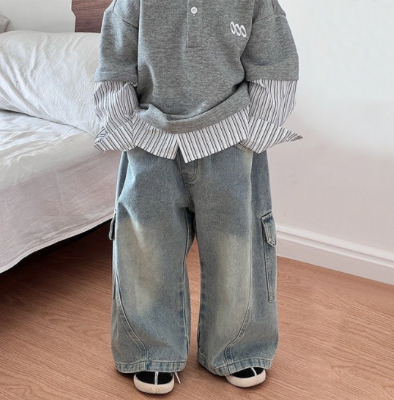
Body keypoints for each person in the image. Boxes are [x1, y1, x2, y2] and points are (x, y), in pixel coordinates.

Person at [93, 0, 302, 394]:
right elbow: (115, 64)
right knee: (145, 246)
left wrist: (254, 133)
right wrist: (127, 129)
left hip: (230, 135)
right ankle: (151, 349)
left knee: (237, 246)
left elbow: (274, 62)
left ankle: (238, 346)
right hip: (150, 136)